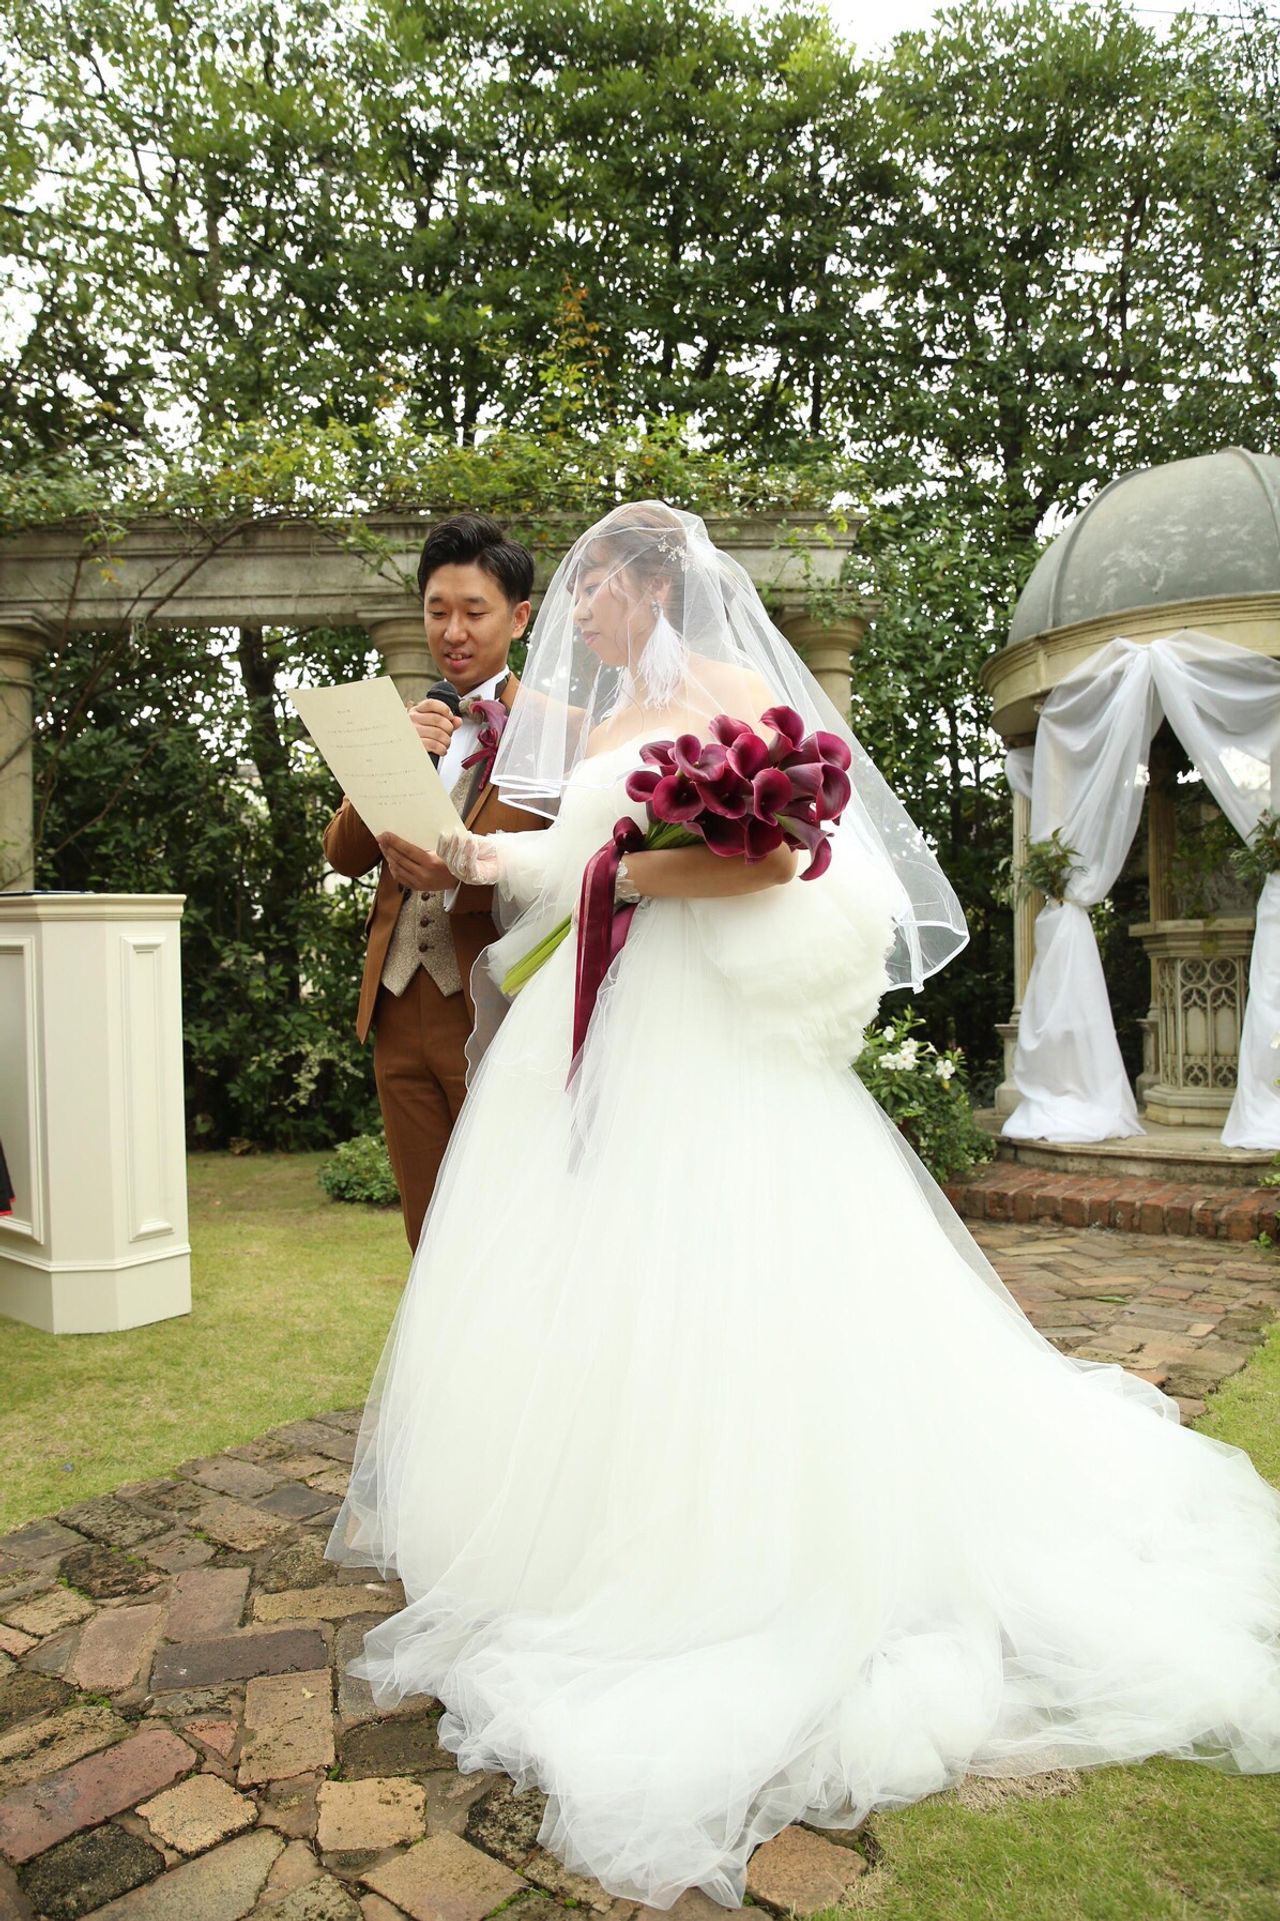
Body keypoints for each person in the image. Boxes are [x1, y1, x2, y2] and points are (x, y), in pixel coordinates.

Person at [324, 503, 1280, 1910]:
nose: (576, 611)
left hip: (702, 1037)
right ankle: (583, 1529)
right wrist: (469, 860)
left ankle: (739, 1547)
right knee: (590, 1274)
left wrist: (625, 872)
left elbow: (773, 861)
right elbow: (557, 859)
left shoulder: (734, 694)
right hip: (595, 1026)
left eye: (591, 590)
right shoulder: (601, 725)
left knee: (731, 1266)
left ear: (652, 587)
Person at [322, 513, 547, 1249]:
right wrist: (393, 758)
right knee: (427, 1233)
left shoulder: (555, 730)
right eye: (437, 610)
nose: (453, 631)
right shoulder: (406, 721)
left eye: (473, 612)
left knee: (506, 1226)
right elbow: (343, 855)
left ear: (518, 618)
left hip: (494, 1006)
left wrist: (464, 879)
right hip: (394, 1007)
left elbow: (569, 874)